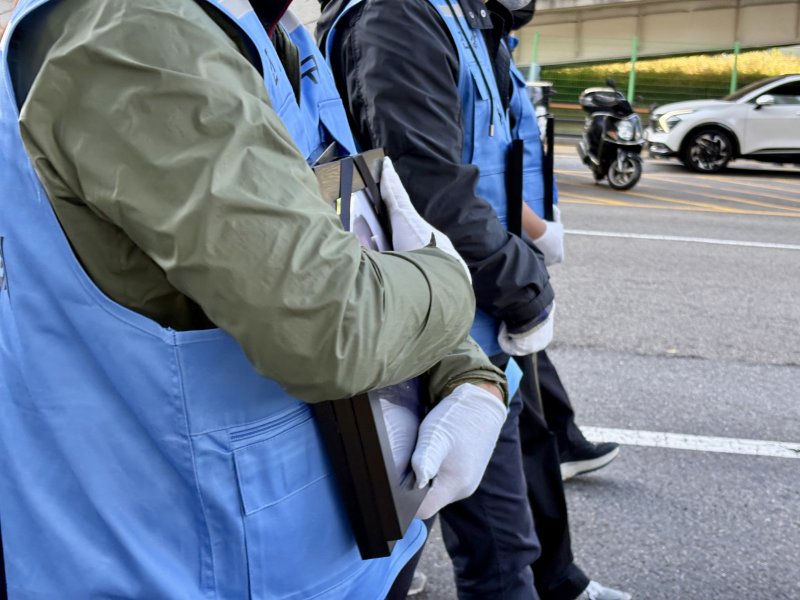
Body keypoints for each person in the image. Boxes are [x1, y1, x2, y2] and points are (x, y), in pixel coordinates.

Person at [0, 0, 510, 597]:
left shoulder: (276, 32)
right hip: (188, 563)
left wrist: (466, 373)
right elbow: (330, 323)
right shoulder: (133, 28)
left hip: (332, 546)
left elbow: (355, 232)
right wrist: (453, 278)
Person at [319, 1, 630, 599]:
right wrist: (526, 288)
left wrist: (531, 252)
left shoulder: (465, 18)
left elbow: (490, 161)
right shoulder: (397, 16)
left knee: (501, 547)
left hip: (472, 333)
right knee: (390, 555)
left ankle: (557, 582)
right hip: (427, 338)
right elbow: (428, 186)